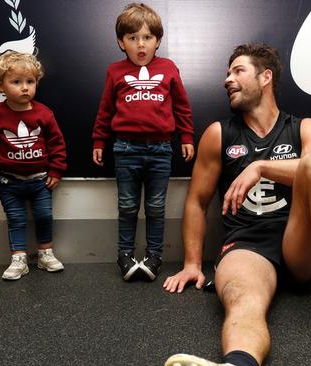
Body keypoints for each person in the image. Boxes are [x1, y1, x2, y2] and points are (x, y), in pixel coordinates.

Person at [163, 44, 311, 365]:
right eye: (227, 73)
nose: (228, 79)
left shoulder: (303, 127)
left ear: (265, 77)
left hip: (298, 242)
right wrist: (192, 264)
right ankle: (237, 363)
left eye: (238, 70)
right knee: (243, 301)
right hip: (246, 246)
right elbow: (197, 202)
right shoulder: (219, 134)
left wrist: (261, 166)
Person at [92, 3, 194, 282]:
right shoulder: (115, 71)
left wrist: (186, 136)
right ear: (120, 42)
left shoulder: (169, 68)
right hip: (125, 149)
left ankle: (154, 255)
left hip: (161, 149)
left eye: (147, 37)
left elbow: (182, 107)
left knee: (156, 206)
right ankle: (124, 255)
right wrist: (99, 141)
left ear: (157, 41)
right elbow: (105, 110)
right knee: (127, 205)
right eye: (133, 38)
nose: (140, 44)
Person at [0, 51, 67, 281]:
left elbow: (57, 145)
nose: (24, 87)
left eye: (30, 82)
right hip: (9, 182)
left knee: (44, 215)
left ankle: (45, 254)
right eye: (16, 82)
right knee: (16, 219)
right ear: (0, 85)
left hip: (40, 180)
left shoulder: (44, 114)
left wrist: (56, 170)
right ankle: (19, 258)